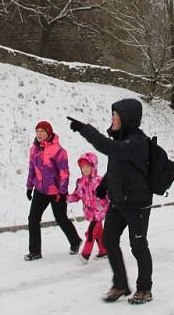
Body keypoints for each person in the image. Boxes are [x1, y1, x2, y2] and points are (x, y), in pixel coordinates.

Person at [68, 99, 154, 305]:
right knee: (109, 240)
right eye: (113, 116)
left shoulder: (137, 142)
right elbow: (117, 167)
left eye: (116, 116)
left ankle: (145, 289)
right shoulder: (121, 139)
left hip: (137, 204)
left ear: (127, 119)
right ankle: (121, 284)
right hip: (118, 203)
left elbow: (108, 148)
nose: (113, 119)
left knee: (138, 246)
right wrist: (104, 186)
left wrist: (84, 129)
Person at [25, 120, 82, 261]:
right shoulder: (34, 150)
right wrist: (29, 187)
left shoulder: (58, 151)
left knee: (61, 218)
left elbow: (64, 172)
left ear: (48, 133)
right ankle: (35, 251)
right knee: (33, 219)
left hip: (56, 191)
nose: (39, 134)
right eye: (37, 131)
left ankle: (75, 241)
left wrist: (62, 191)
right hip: (40, 190)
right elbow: (32, 169)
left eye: (42, 131)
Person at [67, 151, 109, 261]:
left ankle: (85, 254)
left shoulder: (100, 181)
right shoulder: (80, 182)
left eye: (88, 166)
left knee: (90, 233)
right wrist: (65, 199)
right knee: (99, 233)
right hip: (90, 212)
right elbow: (76, 195)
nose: (85, 169)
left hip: (100, 212)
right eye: (83, 167)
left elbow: (109, 195)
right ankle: (104, 251)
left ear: (93, 166)